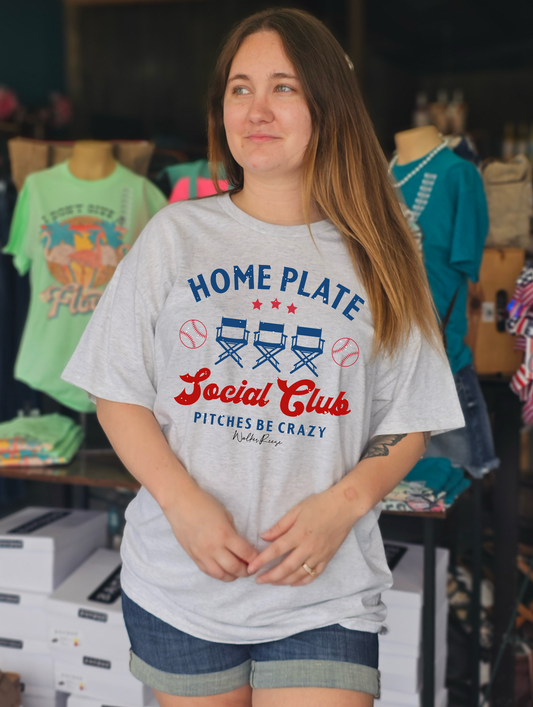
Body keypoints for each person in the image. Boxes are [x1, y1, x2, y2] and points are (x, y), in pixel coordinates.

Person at [62, 8, 464, 707]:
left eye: (283, 86)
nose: (256, 108)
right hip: (180, 582)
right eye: (239, 88)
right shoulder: (174, 237)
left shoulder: (384, 254)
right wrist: (183, 503)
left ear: (325, 104)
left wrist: (342, 505)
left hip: (322, 587)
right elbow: (116, 391)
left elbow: (407, 419)